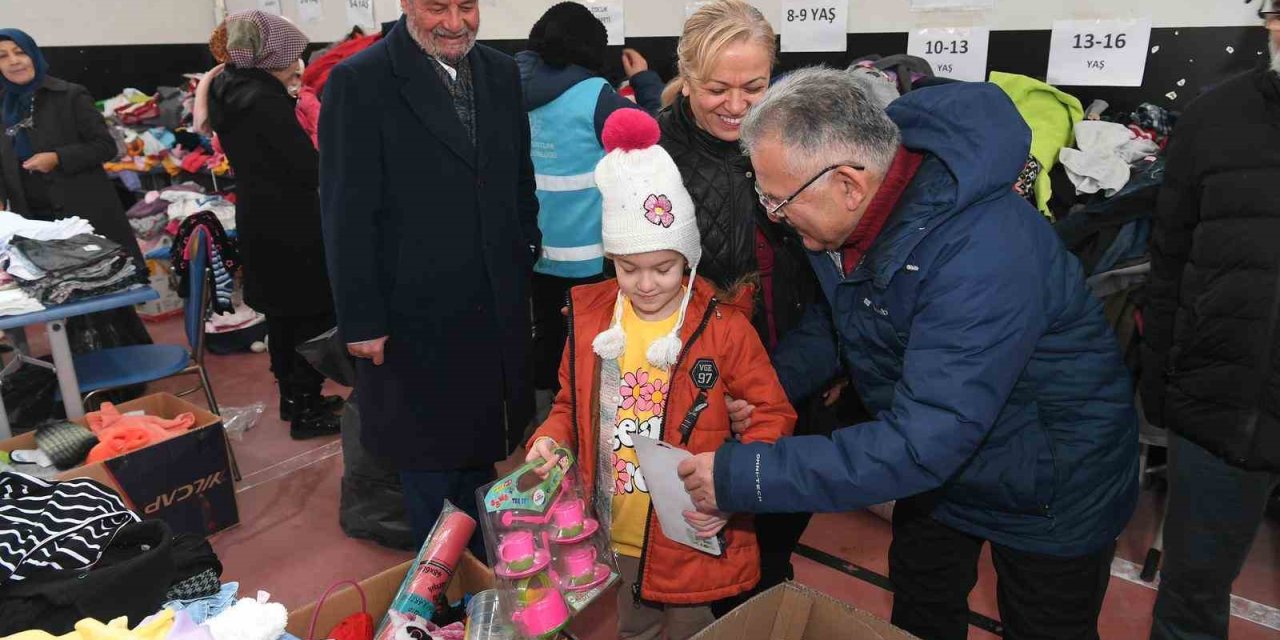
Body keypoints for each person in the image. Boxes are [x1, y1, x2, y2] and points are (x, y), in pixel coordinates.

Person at [678, 68, 1140, 640]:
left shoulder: (983, 252)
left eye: (779, 200)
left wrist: (743, 475)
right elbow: (838, 321)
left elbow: (926, 438)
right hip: (944, 470)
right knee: (920, 606)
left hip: (1050, 480)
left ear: (848, 183)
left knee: (1046, 625)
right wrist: (755, 387)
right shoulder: (847, 216)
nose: (774, 216)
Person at [525, 109, 795, 640]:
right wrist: (548, 439)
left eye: (663, 268)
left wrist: (734, 489)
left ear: (688, 258)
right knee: (635, 630)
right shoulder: (591, 320)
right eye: (628, 268)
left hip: (694, 531)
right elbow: (567, 404)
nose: (645, 284)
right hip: (617, 531)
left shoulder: (724, 328)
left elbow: (771, 413)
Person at [320, 0, 540, 557]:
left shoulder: (499, 71)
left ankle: (482, 578)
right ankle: (437, 595)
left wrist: (523, 249)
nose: (454, 21)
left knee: (480, 450)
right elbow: (346, 213)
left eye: (467, 6)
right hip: (411, 313)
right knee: (428, 465)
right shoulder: (358, 82)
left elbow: (518, 175)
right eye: (436, 6)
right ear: (405, 4)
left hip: (491, 302)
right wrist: (362, 319)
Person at [657, 0, 832, 598]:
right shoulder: (651, 160)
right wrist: (714, 387)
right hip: (694, 384)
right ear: (686, 77)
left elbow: (828, 284)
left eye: (754, 86)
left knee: (775, 535)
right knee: (701, 545)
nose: (736, 106)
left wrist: (773, 384)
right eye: (716, 89)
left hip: (792, 372)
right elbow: (644, 291)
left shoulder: (803, 144)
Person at [1142, 4, 1280, 638]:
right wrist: (1162, 383)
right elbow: (1169, 260)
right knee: (1192, 597)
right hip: (1221, 402)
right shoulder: (1213, 118)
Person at [516, 1, 664, 422]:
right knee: (592, 344)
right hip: (590, 258)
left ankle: (545, 426)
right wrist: (646, 82)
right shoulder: (595, 97)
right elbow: (651, 135)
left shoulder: (507, 85)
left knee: (545, 338)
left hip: (533, 251)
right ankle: (586, 425)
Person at [207, 10, 341, 439]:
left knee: (284, 319)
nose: (297, 62)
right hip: (290, 225)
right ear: (273, 54)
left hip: (261, 217)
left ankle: (295, 401)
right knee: (306, 315)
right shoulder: (262, 100)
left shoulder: (227, 85)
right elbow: (304, 166)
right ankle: (307, 408)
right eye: (292, 54)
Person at [0, 28, 153, 364]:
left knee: (108, 300)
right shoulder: (2, 108)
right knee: (64, 305)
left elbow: (105, 146)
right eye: (2, 56)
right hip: (38, 225)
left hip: (86, 217)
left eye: (19, 52)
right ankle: (84, 377)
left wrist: (57, 158)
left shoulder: (69, 95)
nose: (13, 61)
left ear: (33, 54)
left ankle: (129, 374)